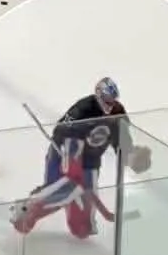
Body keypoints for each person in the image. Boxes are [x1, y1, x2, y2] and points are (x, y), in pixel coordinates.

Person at [10, 77, 151, 238]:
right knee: (68, 188)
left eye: (112, 99)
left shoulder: (118, 113)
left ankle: (56, 198)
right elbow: (61, 131)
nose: (110, 103)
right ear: (98, 95)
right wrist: (71, 155)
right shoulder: (83, 108)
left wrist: (132, 156)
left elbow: (123, 142)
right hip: (63, 156)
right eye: (106, 99)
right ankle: (26, 208)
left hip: (90, 164)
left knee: (82, 229)